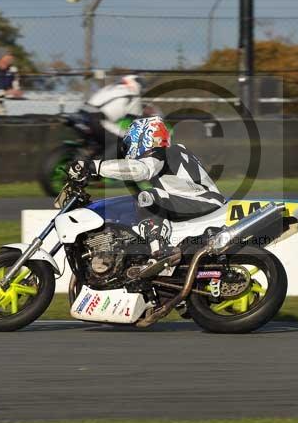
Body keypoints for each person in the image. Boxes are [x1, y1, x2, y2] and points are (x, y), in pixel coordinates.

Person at [68, 116, 225, 278]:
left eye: (129, 144)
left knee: (147, 198)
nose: (127, 150)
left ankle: (160, 252)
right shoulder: (170, 152)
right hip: (196, 199)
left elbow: (140, 170)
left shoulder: (161, 151)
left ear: (142, 137)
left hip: (204, 200)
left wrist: (94, 166)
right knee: (136, 202)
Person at [78, 74, 145, 158]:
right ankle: (98, 167)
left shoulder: (109, 88)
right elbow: (137, 121)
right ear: (137, 84)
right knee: (123, 142)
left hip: (82, 114)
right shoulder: (134, 96)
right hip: (97, 119)